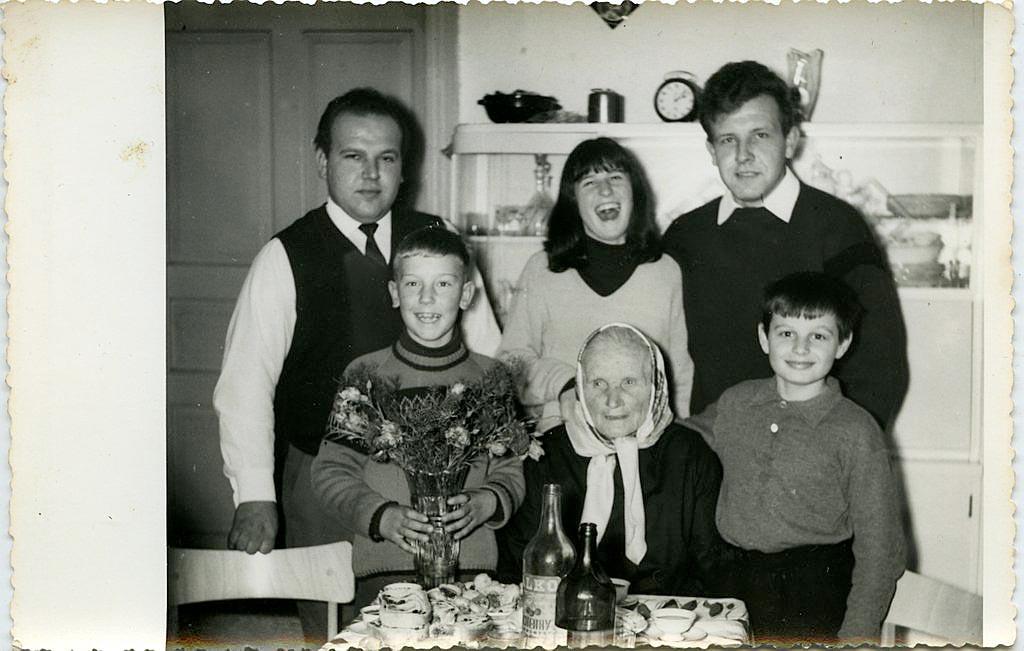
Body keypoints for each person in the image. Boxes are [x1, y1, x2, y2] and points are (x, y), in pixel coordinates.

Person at [213, 88, 477, 642]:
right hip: (323, 484)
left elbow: (484, 358)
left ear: (404, 167)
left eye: (387, 157)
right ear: (323, 160)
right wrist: (255, 493)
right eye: (354, 155)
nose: (371, 174)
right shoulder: (286, 255)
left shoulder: (439, 239)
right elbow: (245, 383)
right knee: (336, 634)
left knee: (437, 631)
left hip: (431, 486)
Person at [662, 60, 907, 430]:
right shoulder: (686, 236)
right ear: (711, 149)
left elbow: (880, 368)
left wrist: (829, 451)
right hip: (710, 449)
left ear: (790, 140)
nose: (743, 154)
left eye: (760, 135)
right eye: (728, 139)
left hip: (810, 451)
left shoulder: (838, 227)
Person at [686, 272, 905, 645]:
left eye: (818, 336)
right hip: (729, 590)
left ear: (843, 344)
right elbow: (681, 436)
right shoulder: (736, 403)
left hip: (813, 595)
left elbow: (881, 551)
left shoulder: (856, 430)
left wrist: (855, 639)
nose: (800, 348)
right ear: (764, 337)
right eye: (786, 332)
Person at [310, 226, 525, 608]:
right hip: (383, 575)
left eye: (443, 283)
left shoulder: (491, 377)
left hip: (473, 579)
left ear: (466, 294)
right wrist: (379, 515)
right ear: (395, 293)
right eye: (413, 284)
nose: (427, 298)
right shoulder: (365, 375)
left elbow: (510, 469)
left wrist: (488, 501)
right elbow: (330, 472)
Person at [497, 323, 725, 596]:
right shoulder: (546, 455)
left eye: (628, 382)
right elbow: (517, 566)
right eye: (598, 383)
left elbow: (712, 571)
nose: (612, 400)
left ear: (655, 386)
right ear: (580, 389)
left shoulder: (689, 456)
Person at [498, 137, 693, 434]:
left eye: (616, 177)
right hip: (561, 438)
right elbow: (511, 364)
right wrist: (565, 383)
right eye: (589, 182)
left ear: (635, 191)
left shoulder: (666, 271)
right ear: (573, 200)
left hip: (645, 442)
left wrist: (679, 437)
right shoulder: (541, 270)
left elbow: (680, 373)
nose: (605, 190)